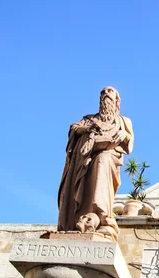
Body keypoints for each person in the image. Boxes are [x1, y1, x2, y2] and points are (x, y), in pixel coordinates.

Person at [57, 86, 134, 241]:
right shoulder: (90, 118)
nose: (106, 94)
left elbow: (129, 143)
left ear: (116, 100)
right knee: (87, 176)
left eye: (110, 92)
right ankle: (81, 218)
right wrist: (87, 129)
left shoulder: (123, 121)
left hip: (108, 156)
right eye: (103, 92)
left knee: (102, 161)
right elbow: (74, 128)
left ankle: (101, 215)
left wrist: (124, 134)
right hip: (85, 159)